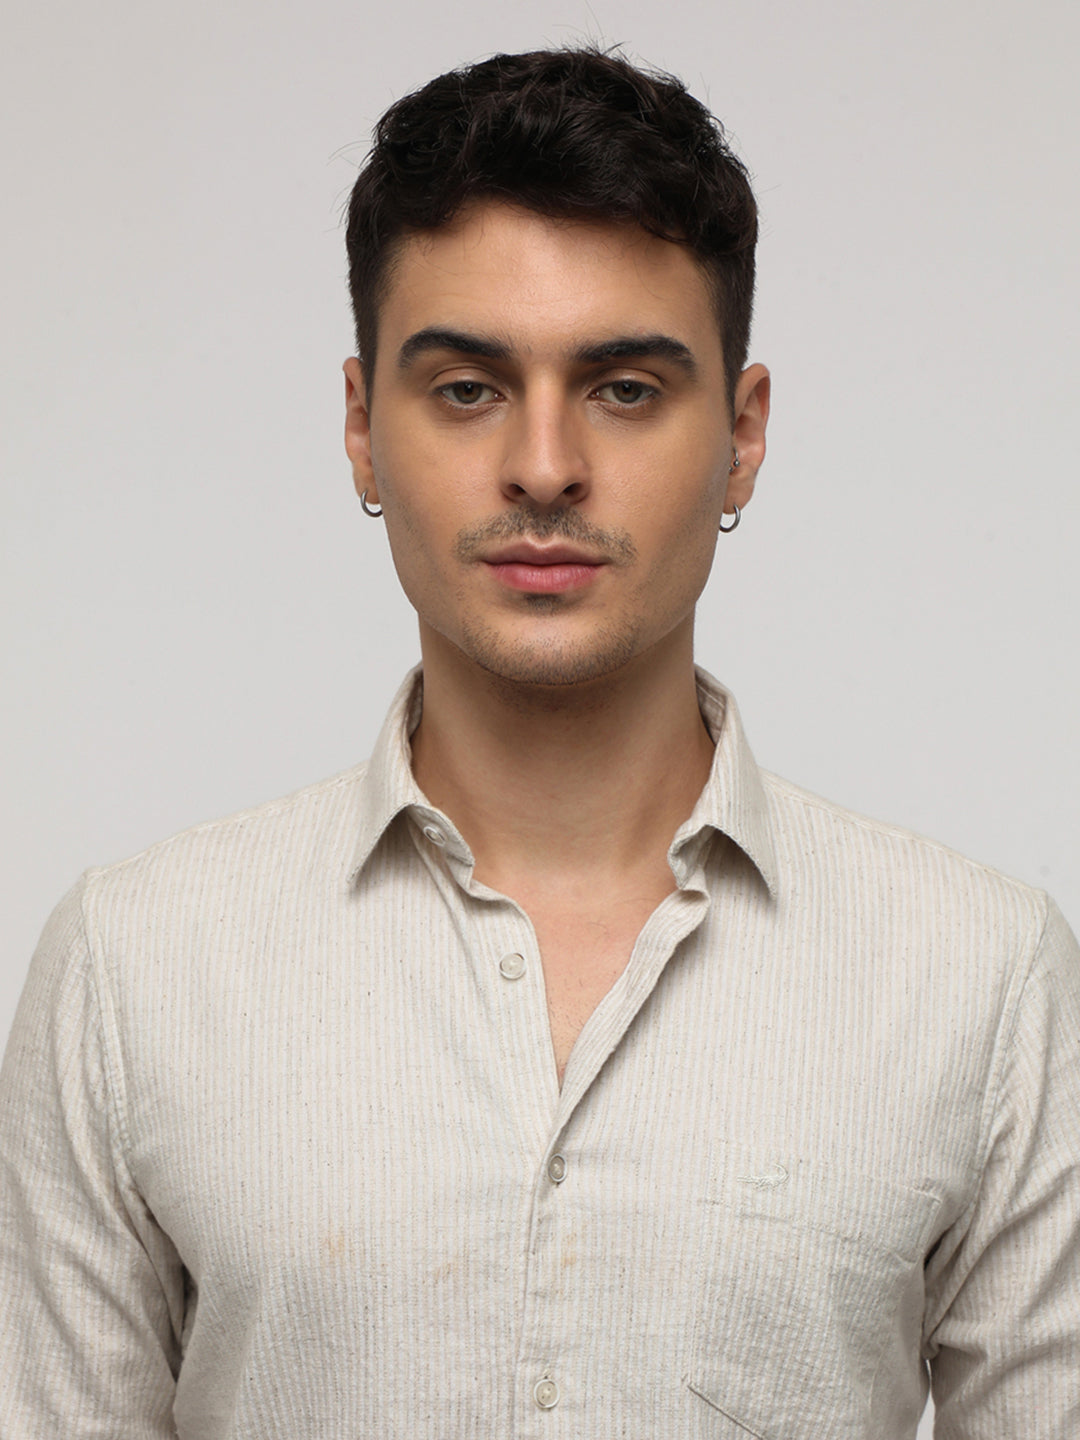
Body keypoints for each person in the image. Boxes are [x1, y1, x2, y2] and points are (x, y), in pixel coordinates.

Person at [1, 46, 1077, 1439]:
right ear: (360, 428)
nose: (547, 466)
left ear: (743, 435)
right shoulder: (134, 971)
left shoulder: (979, 980)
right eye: (467, 388)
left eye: (625, 387)